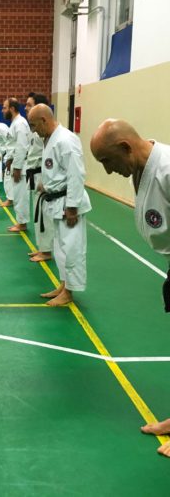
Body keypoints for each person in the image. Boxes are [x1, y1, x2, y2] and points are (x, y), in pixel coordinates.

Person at [90, 118, 170, 457]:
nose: (108, 172)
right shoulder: (142, 167)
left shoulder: (166, 171)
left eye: (108, 162)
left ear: (124, 147)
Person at [27, 104, 91, 306]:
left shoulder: (66, 140)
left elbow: (76, 174)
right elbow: (56, 171)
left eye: (35, 125)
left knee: (72, 248)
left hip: (68, 203)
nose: (34, 130)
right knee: (60, 248)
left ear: (45, 120)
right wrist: (44, 185)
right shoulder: (50, 139)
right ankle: (64, 285)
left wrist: (72, 206)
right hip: (56, 201)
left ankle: (70, 292)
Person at [24, 93, 54, 262]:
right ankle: (42, 247)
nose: (26, 107)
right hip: (34, 173)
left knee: (44, 214)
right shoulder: (36, 131)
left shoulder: (44, 133)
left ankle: (47, 250)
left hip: (42, 174)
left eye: (29, 105)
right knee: (37, 212)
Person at [2, 98, 31, 232]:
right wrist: (9, 160)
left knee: (21, 196)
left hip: (22, 166)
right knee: (18, 195)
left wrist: (18, 167)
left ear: (12, 109)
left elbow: (21, 146)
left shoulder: (20, 123)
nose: (3, 111)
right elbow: (12, 145)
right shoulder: (15, 123)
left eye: (5, 108)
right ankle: (20, 222)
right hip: (16, 164)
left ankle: (22, 223)